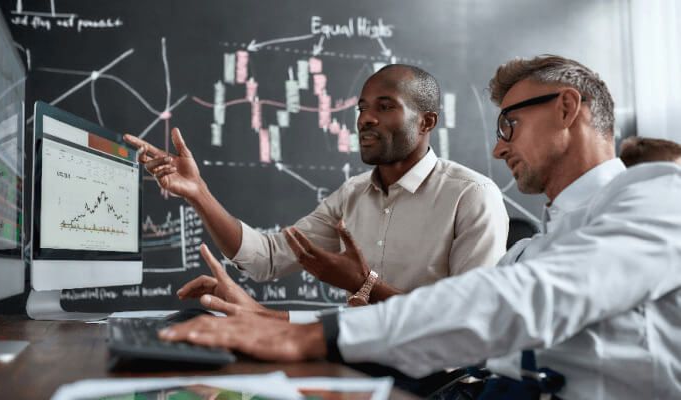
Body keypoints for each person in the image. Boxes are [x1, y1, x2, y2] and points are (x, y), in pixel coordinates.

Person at [158, 55, 681, 399]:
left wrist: (321, 327)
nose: (499, 147)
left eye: (509, 124)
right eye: (362, 108)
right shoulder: (541, 243)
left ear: (567, 108)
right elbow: (470, 327)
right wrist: (276, 322)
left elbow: (506, 307)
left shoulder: (659, 195)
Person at [124, 64, 509, 319]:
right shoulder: (353, 195)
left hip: (434, 385)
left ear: (426, 121)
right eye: (361, 108)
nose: (365, 118)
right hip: (354, 366)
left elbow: (468, 321)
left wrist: (364, 285)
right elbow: (267, 259)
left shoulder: (472, 196)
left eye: (385, 106)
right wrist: (199, 194)